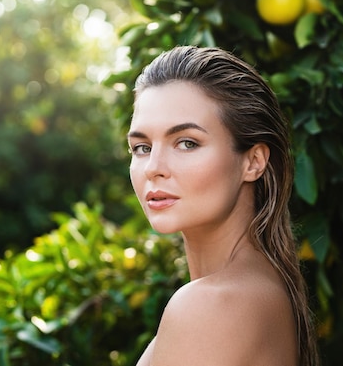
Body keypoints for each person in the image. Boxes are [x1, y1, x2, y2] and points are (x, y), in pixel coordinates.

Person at [127, 46, 318, 366]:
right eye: (142, 147)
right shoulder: (257, 290)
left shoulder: (213, 305)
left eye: (187, 143)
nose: (153, 167)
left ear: (253, 161)